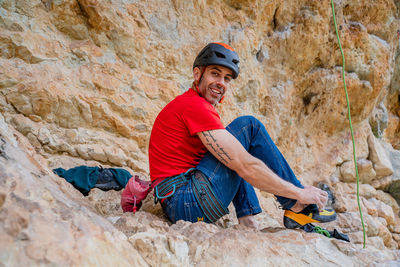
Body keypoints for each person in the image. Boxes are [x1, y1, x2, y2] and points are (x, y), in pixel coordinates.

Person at [148, 42, 336, 229]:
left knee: (234, 146)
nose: (221, 83)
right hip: (186, 202)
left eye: (227, 78)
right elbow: (245, 165)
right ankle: (298, 207)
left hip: (180, 203)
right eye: (215, 73)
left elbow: (234, 158)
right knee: (248, 127)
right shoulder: (195, 107)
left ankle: (248, 220)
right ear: (198, 74)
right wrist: (298, 193)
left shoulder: (191, 105)